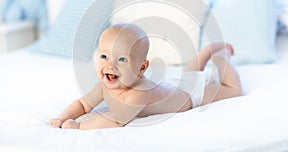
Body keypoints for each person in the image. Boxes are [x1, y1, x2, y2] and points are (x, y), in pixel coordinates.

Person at [48, 23, 242, 130]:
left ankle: (221, 58)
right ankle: (205, 52)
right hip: (173, 85)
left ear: (142, 68)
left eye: (122, 59)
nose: (110, 65)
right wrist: (62, 117)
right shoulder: (106, 84)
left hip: (191, 95)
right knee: (189, 74)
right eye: (104, 56)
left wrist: (80, 127)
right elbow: (83, 104)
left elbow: (116, 120)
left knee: (234, 90)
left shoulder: (138, 93)